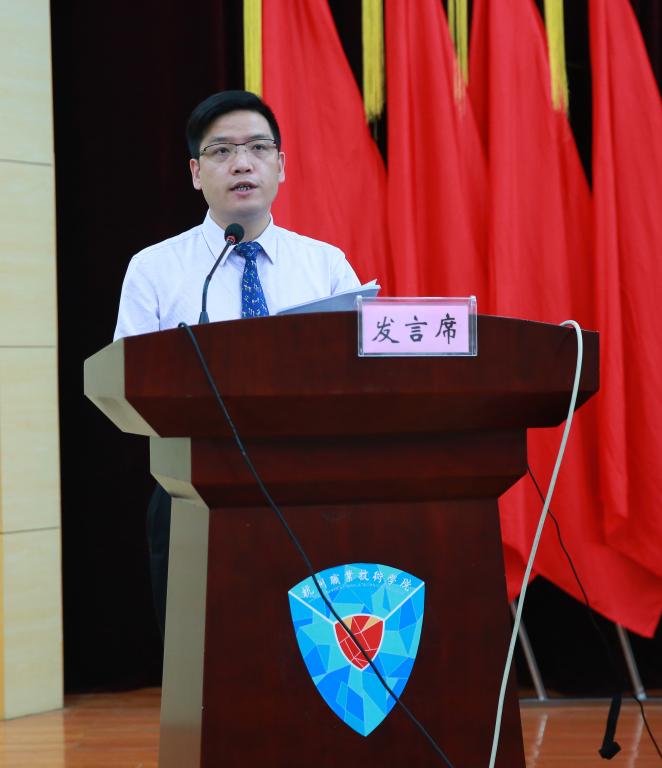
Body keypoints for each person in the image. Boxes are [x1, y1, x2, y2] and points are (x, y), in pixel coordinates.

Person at [113, 90, 361, 639]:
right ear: (196, 173)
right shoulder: (155, 269)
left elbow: (362, 376)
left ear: (281, 165)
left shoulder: (326, 267)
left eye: (257, 148)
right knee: (204, 652)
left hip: (313, 485)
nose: (242, 163)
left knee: (310, 649)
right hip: (194, 490)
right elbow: (127, 384)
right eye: (222, 151)